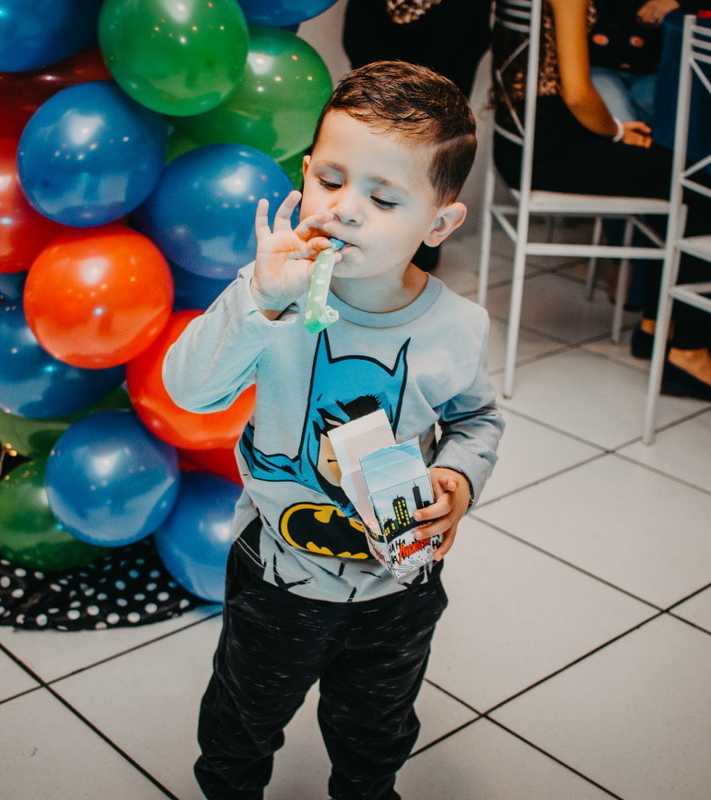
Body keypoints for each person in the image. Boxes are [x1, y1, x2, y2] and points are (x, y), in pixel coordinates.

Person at [163, 61, 505, 799]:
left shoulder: (458, 327)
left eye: (383, 198)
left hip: (400, 587)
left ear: (439, 224)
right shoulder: (274, 298)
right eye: (330, 180)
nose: (345, 209)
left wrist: (457, 479)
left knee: (376, 734)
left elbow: (477, 419)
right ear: (306, 172)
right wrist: (258, 299)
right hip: (276, 576)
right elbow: (189, 390)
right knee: (240, 724)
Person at [491, 0, 711, 402]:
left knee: (668, 176)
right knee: (701, 189)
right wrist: (617, 131)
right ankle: (688, 351)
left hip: (520, 143)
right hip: (553, 152)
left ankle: (656, 326)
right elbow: (578, 96)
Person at [341, 0, 493, 271]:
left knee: (411, 252)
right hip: (370, 123)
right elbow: (359, 53)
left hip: (430, 134)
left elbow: (455, 70)